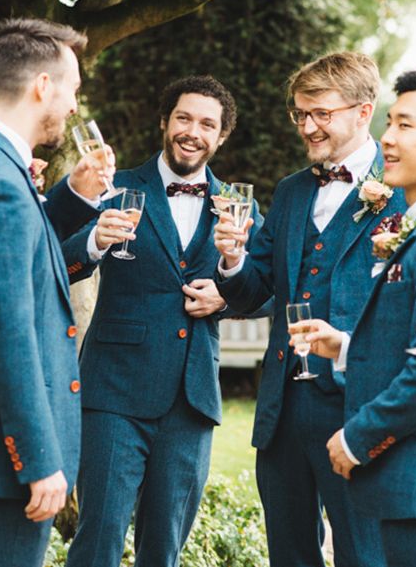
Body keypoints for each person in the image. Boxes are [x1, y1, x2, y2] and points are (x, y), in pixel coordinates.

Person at [62, 75, 266, 567]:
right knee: (97, 541)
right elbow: (58, 260)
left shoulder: (239, 206)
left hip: (191, 400)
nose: (193, 131)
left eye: (207, 124)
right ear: (164, 123)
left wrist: (225, 288)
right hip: (113, 394)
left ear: (221, 137)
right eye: (184, 118)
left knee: (165, 549)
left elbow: (262, 293)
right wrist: (94, 242)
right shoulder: (117, 188)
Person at [214, 52, 405, 567]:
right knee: (289, 554)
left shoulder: (403, 193)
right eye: (300, 114)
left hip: (356, 403)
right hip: (281, 409)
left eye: (321, 113)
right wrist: (232, 257)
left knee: (364, 554)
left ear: (364, 112)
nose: (308, 126)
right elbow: (252, 290)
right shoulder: (292, 191)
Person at [294, 69, 416, 567]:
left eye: (405, 126)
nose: (387, 138)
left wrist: (358, 436)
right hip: (411, 492)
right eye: (389, 123)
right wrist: (346, 348)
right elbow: (411, 343)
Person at [0, 17, 114, 567]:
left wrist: (69, 198)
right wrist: (38, 459)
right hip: (4, 470)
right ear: (43, 86)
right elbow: (8, 330)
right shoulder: (0, 180)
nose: (73, 107)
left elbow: (26, 258)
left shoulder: (4, 171)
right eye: (73, 91)